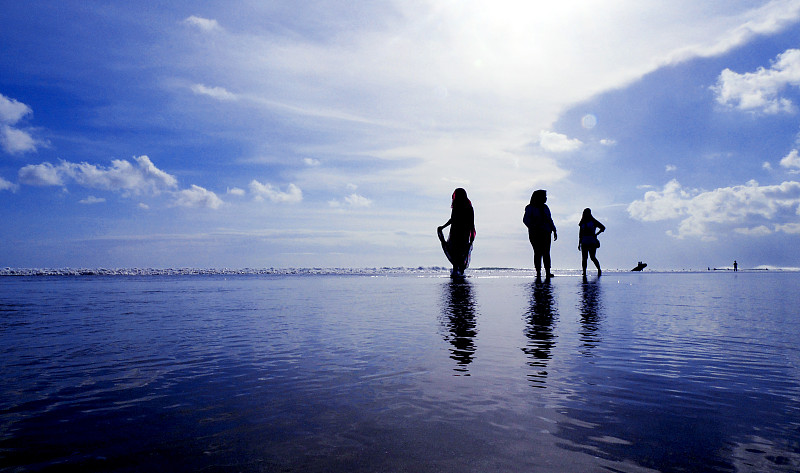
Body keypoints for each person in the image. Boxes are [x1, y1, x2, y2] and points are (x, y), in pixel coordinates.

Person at [438, 188, 476, 276]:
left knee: (458, 253)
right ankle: (458, 274)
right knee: (458, 253)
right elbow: (453, 219)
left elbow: (471, 222)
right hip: (458, 232)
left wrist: (471, 236)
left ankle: (457, 275)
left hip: (460, 232)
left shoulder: (467, 207)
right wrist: (443, 226)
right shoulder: (459, 207)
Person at [523, 189, 557, 279]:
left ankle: (548, 272)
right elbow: (525, 220)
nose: (546, 199)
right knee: (537, 252)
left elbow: (550, 219)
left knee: (546, 252)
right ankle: (538, 272)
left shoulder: (545, 207)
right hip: (535, 233)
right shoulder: (530, 207)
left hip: (546, 232)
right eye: (544, 197)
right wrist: (533, 226)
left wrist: (554, 229)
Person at [578, 208, 605, 277]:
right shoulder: (582, 222)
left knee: (592, 257)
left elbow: (603, 228)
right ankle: (584, 272)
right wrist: (579, 243)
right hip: (584, 241)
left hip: (592, 241)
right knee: (584, 258)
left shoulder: (593, 221)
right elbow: (580, 233)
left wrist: (596, 234)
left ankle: (599, 269)